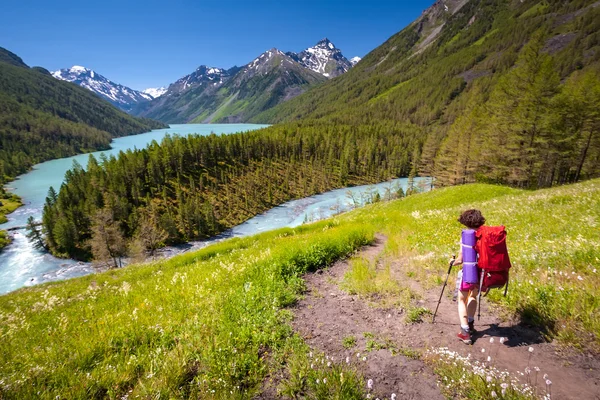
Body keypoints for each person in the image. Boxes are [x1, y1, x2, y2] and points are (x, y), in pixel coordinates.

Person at [451, 209, 486, 344]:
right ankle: (470, 324)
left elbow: (461, 259)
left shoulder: (466, 235)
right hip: (481, 273)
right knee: (473, 296)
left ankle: (465, 331)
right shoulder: (484, 234)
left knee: (461, 299)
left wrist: (452, 262)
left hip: (468, 272)